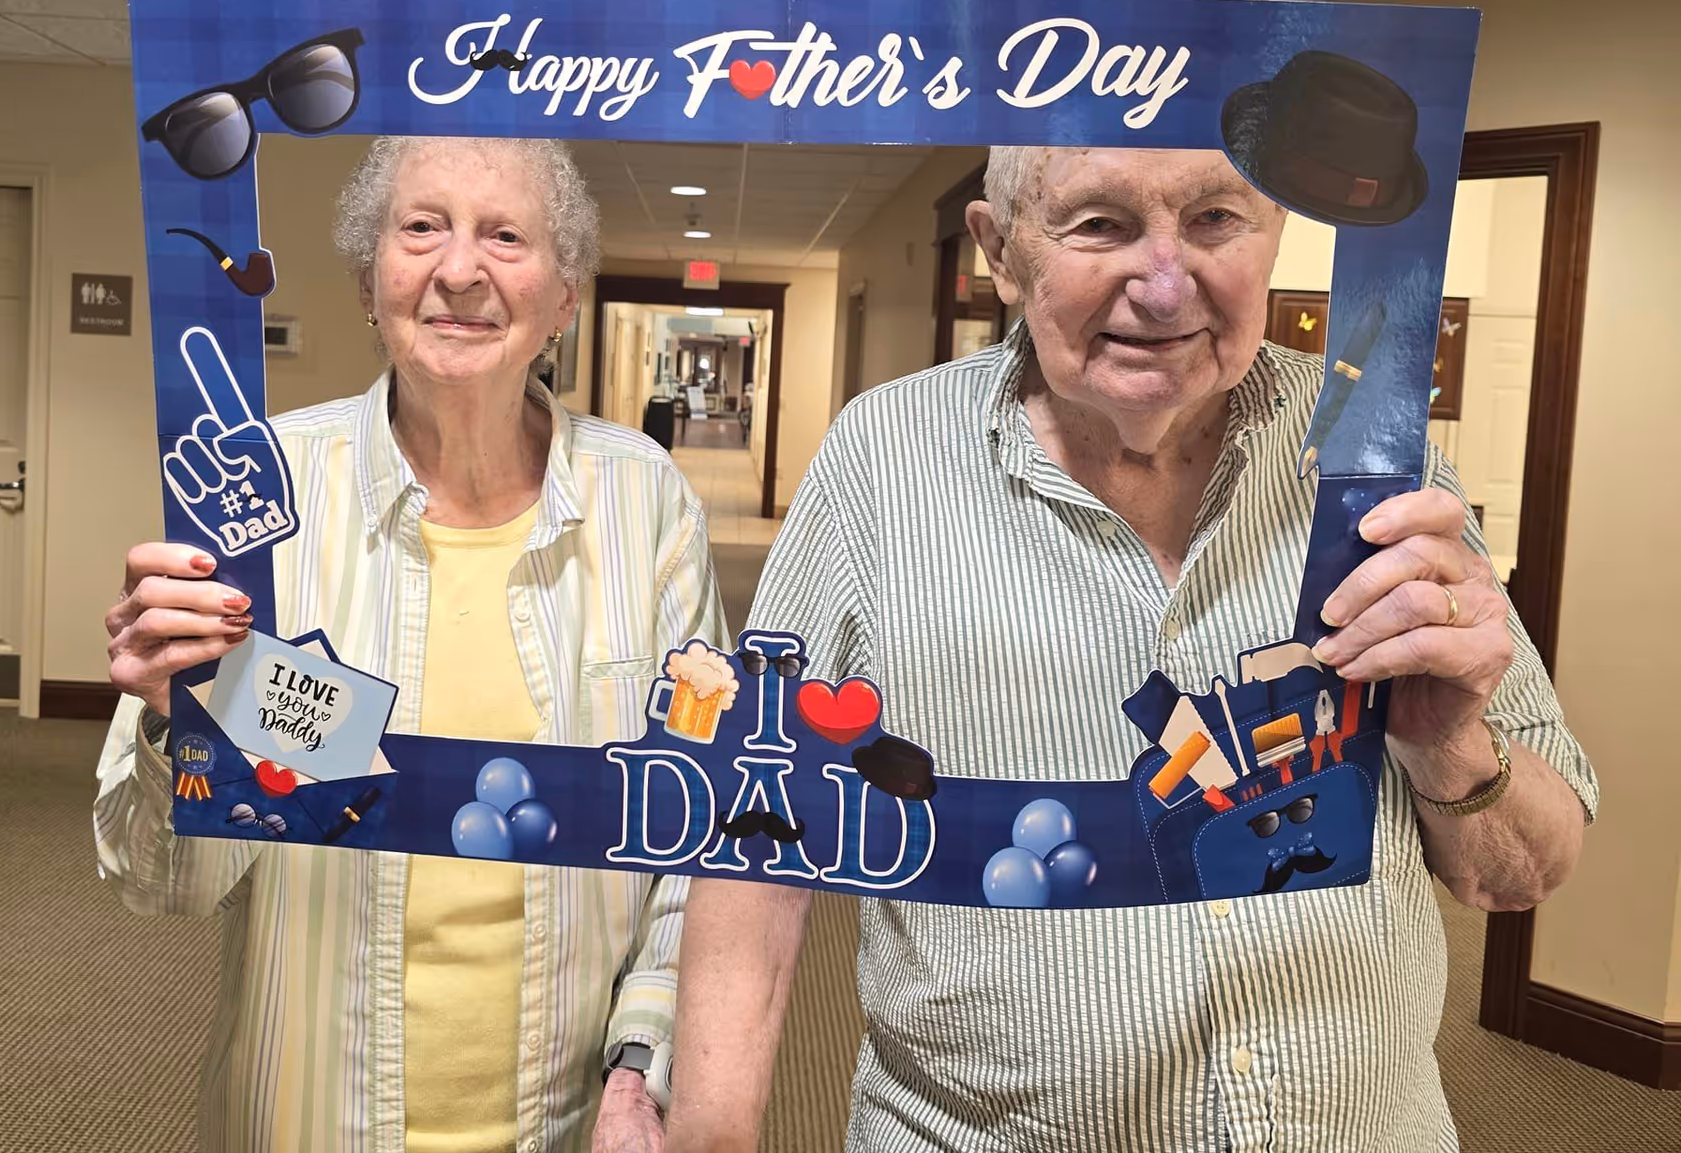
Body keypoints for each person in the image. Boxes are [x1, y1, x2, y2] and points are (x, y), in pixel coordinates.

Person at [667, 146, 1595, 1152]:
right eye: (1099, 224)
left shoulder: (1380, 458)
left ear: (1275, 232)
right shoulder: (883, 460)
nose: (1163, 285)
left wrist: (1447, 740)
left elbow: (1518, 879)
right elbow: (754, 826)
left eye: (1214, 220)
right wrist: (710, 1132)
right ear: (1000, 253)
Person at [96, 136, 723, 1152]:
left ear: (565, 297)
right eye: (421, 227)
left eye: (506, 236)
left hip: (569, 1123)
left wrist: (640, 1068)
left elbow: (695, 828)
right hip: (311, 1118)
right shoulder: (259, 496)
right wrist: (182, 731)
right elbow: (160, 885)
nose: (460, 269)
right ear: (370, 276)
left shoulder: (644, 501)